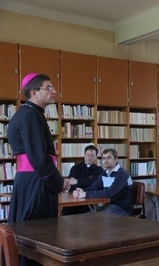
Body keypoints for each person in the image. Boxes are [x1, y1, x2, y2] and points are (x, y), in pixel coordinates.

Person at [7, 73, 70, 266]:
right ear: (34, 93)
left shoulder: (30, 113)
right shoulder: (30, 116)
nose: (54, 91)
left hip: (30, 180)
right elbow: (38, 158)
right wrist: (58, 183)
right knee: (38, 235)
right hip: (37, 181)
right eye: (48, 88)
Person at [73, 148, 133, 216]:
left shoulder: (122, 174)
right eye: (103, 158)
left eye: (109, 158)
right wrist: (81, 191)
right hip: (109, 205)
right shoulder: (104, 173)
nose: (105, 160)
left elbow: (109, 193)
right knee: (86, 216)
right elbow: (94, 187)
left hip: (122, 208)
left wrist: (86, 194)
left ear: (116, 159)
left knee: (98, 218)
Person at [62, 145, 104, 215]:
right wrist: (85, 183)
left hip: (88, 198)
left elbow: (96, 183)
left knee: (85, 216)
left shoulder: (99, 170)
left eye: (92, 155)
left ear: (96, 157)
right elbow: (71, 184)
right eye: (88, 155)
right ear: (84, 155)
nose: (89, 158)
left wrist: (77, 181)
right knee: (66, 214)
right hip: (73, 197)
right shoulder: (75, 168)